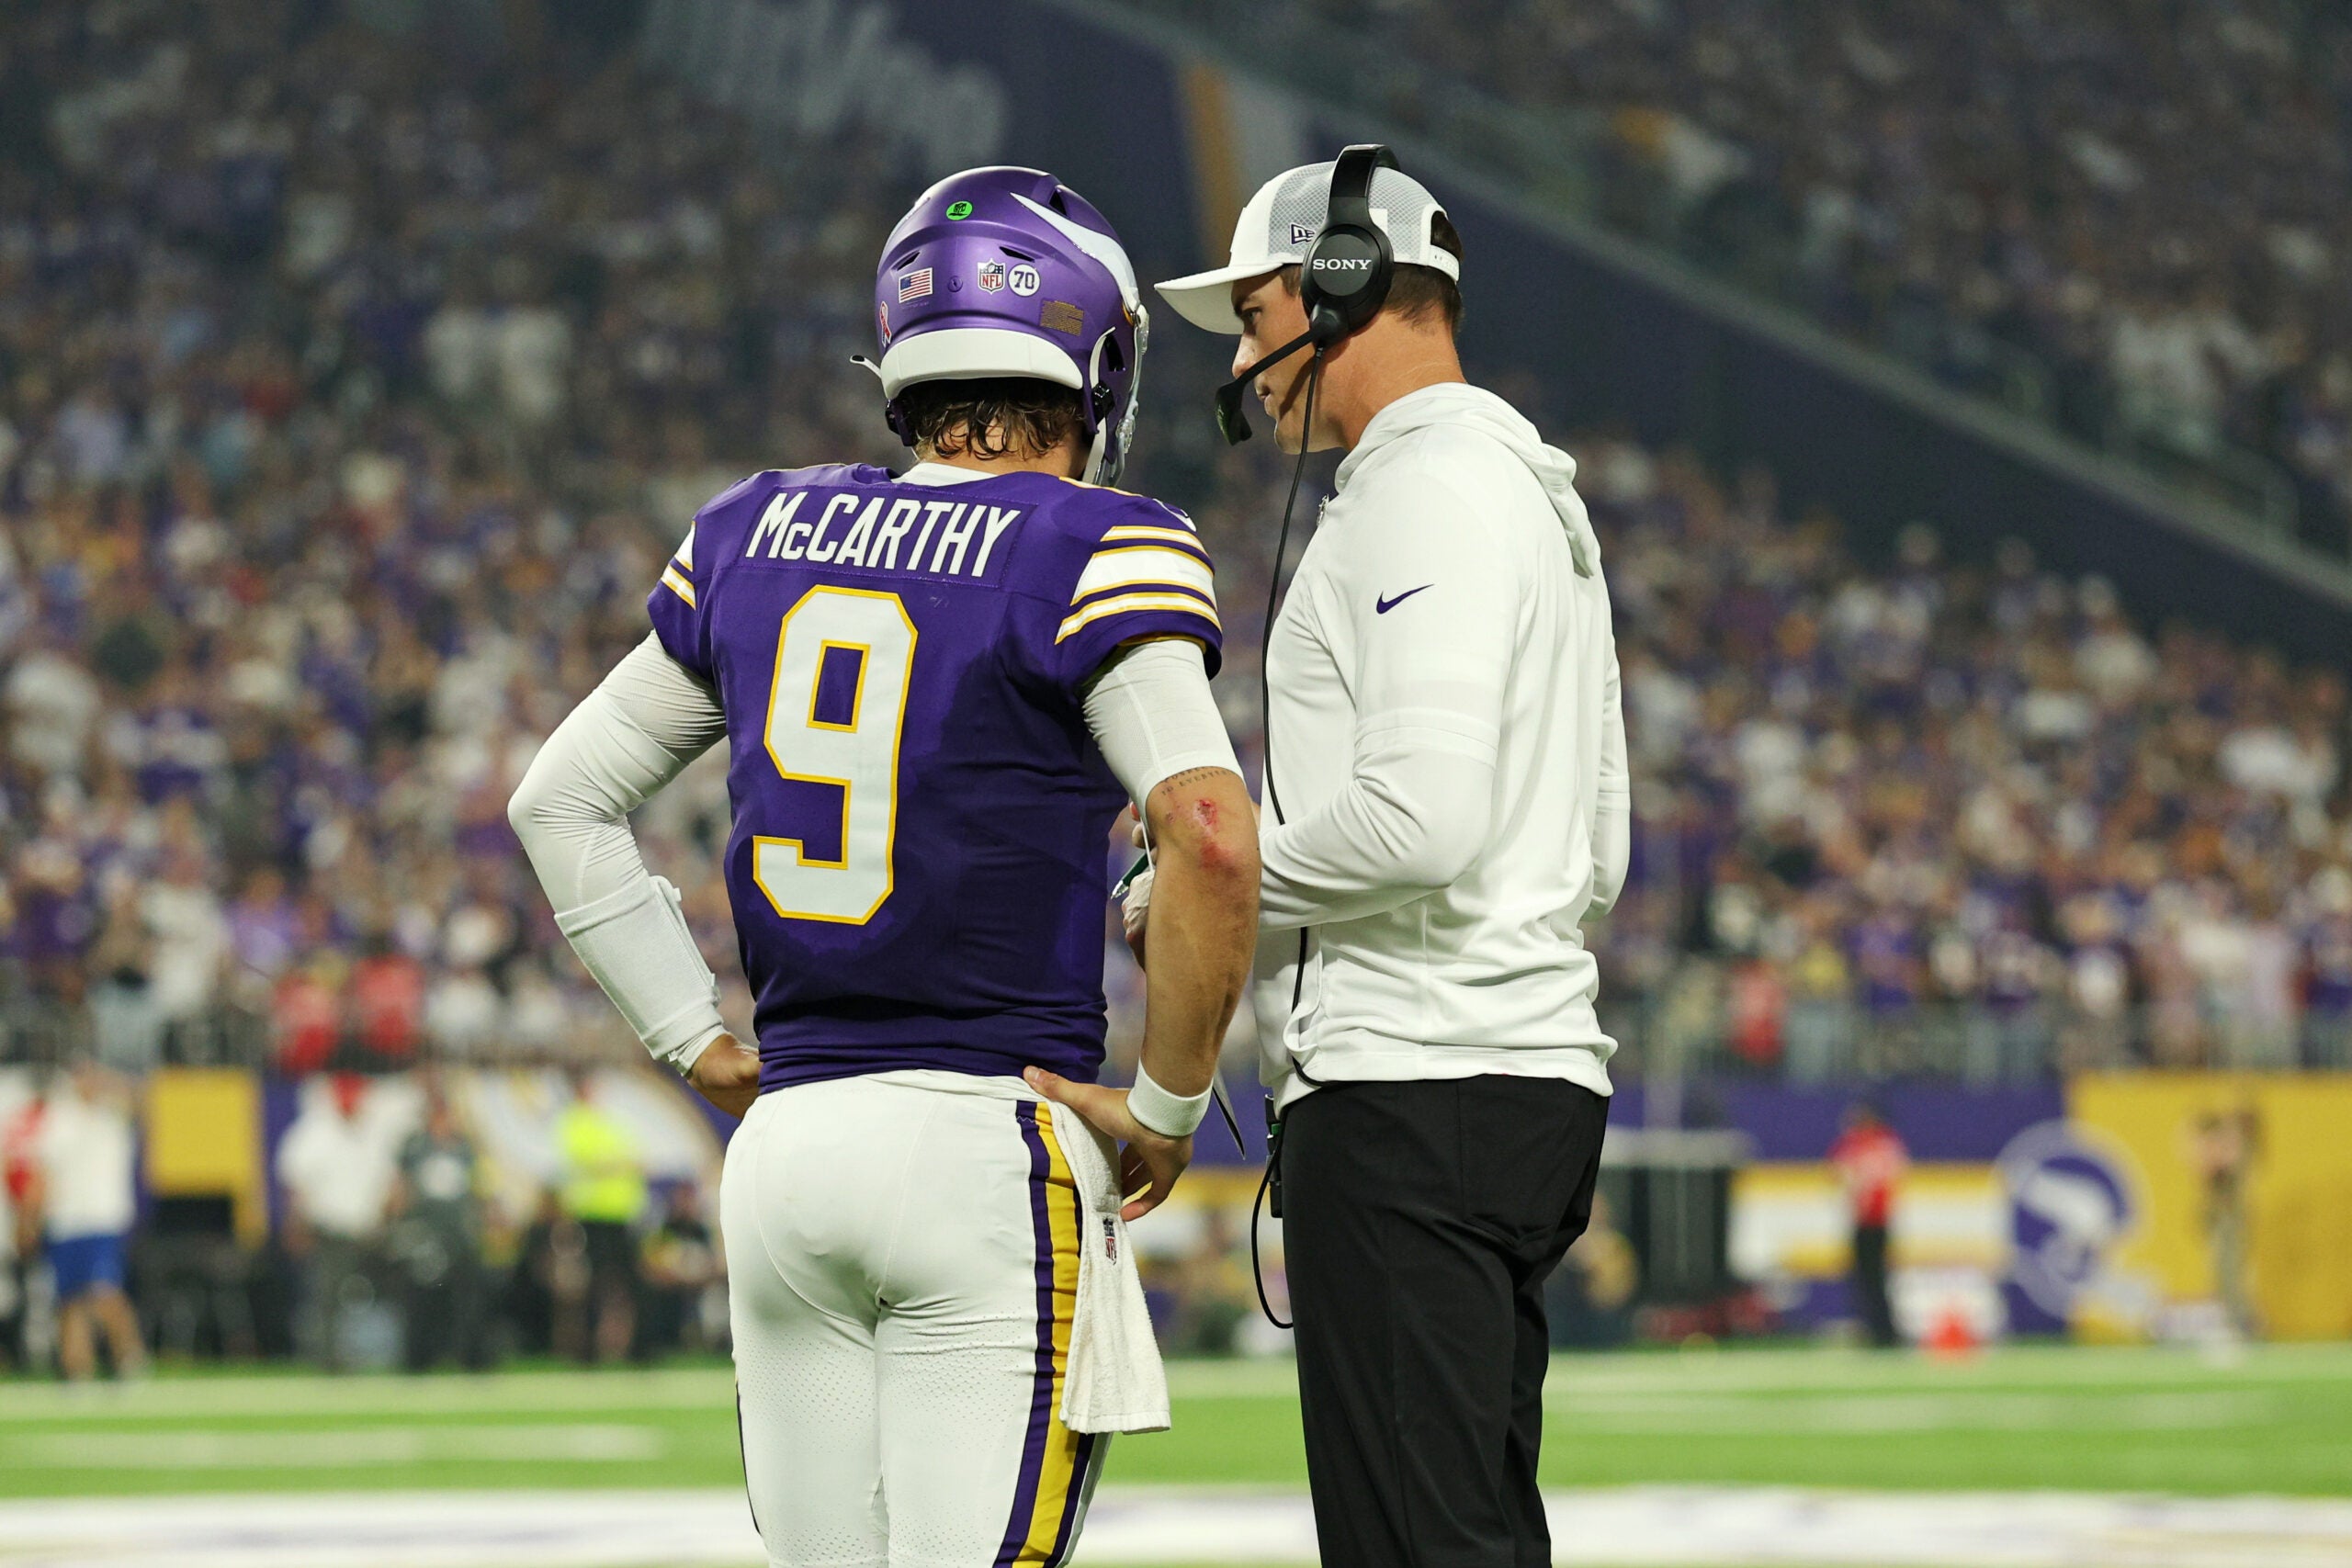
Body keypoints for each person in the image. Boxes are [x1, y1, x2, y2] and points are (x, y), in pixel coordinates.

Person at [509, 165, 1261, 1567]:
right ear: (1092, 357)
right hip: (983, 1138)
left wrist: (691, 1037)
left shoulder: (756, 530)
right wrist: (1167, 1100)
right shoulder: (1097, 542)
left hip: (788, 1144)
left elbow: (559, 799)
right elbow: (1210, 830)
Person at [1148, 148, 1626, 1568]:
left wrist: (1202, 876)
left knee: (1416, 1545)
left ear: (1335, 283)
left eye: (1251, 315)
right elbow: (1599, 846)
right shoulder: (1524, 486)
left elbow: (1421, 820)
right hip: (1516, 1068)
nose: (1244, 358)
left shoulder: (1427, 489)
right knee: (1471, 1526)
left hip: (1420, 1088)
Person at [28, 1060, 148, 1382]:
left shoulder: (112, 1116)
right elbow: (44, 1172)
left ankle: (130, 1357)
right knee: (70, 1300)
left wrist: (108, 1080)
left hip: (102, 1218)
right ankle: (77, 1367)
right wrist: (33, 1217)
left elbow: (142, 1099)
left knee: (104, 1291)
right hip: (65, 1219)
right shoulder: (59, 1119)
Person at [276, 1073, 398, 1371]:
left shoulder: (374, 1132)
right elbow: (295, 1183)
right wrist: (296, 1225)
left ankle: (392, 1355)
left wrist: (387, 1216)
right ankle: (330, 1361)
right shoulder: (313, 1132)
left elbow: (391, 1183)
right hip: (329, 1229)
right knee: (328, 1298)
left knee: (387, 1292)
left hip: (370, 1229)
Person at [389, 1079, 490, 1371]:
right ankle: (419, 1361)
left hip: (460, 1234)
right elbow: (401, 1188)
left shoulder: (465, 1148)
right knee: (422, 1302)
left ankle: (471, 1360)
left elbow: (478, 1188)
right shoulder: (416, 1147)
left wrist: (484, 1217)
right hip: (426, 1236)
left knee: (467, 1302)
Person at [554, 1070, 645, 1364]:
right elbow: (587, 1163)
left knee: (629, 1283)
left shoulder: (605, 1121)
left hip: (619, 1213)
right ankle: (588, 1353)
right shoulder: (574, 1122)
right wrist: (617, 1165)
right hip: (593, 1214)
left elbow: (632, 1160)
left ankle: (636, 1349)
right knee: (595, 1286)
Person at [1829, 1100, 1907, 1348]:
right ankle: (1881, 1330)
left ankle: (1879, 1331)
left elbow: (1842, 1173)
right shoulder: (1889, 1144)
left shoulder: (1863, 1145)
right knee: (1874, 1279)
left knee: (1869, 1280)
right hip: (1878, 1221)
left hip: (1868, 1221)